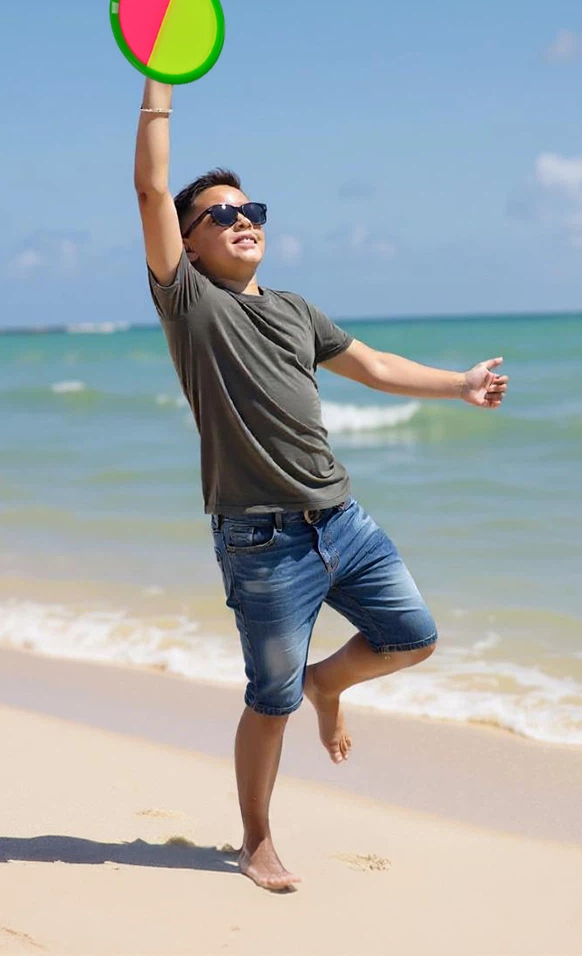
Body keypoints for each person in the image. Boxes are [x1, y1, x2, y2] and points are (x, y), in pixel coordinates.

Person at [134, 77, 509, 892]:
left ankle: (327, 684)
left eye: (252, 211)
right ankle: (256, 841)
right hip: (261, 540)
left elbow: (373, 366)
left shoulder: (297, 310)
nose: (242, 221)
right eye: (221, 216)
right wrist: (159, 77)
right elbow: (152, 188)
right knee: (269, 702)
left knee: (413, 637)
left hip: (342, 519)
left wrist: (460, 384)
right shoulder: (189, 304)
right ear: (187, 245)